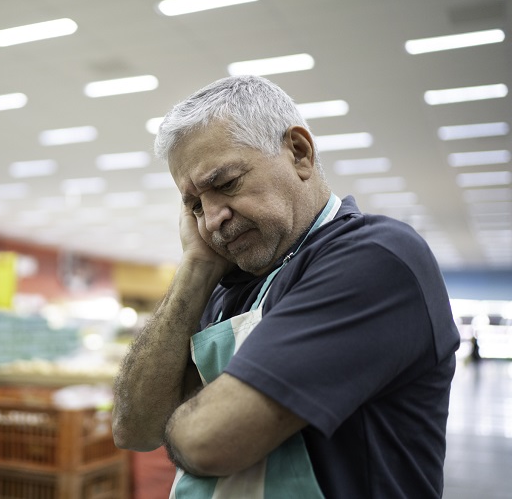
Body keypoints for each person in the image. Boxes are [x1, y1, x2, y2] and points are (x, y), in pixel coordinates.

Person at [112, 75, 460, 498]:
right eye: (195, 205)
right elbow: (133, 428)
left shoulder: (376, 258)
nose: (213, 218)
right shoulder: (224, 287)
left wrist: (181, 412)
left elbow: (210, 441)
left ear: (299, 152)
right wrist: (196, 269)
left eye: (225, 184)